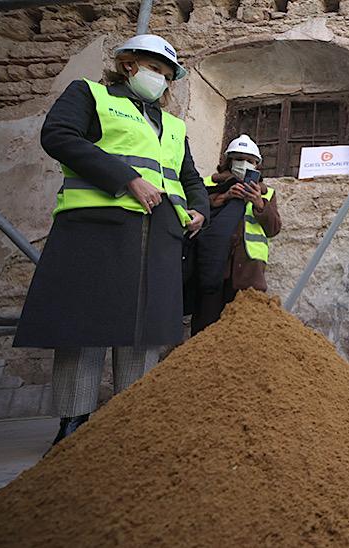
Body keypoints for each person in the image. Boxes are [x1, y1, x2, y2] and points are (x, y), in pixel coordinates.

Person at [13, 34, 209, 445]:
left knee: (146, 333)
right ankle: (73, 428)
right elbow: (60, 136)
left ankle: (130, 427)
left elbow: (188, 176)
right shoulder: (91, 95)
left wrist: (200, 210)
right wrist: (125, 179)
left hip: (159, 236)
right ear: (128, 65)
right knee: (84, 329)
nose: (160, 80)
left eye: (167, 75)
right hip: (96, 228)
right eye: (154, 68)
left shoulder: (173, 126)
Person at [185, 134, 281, 335]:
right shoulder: (206, 184)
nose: (244, 164)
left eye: (250, 160)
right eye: (239, 158)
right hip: (210, 266)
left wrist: (258, 203)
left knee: (243, 330)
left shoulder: (266, 193)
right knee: (206, 326)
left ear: (257, 166)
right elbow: (193, 216)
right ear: (228, 160)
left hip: (248, 269)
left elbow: (273, 229)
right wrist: (224, 197)